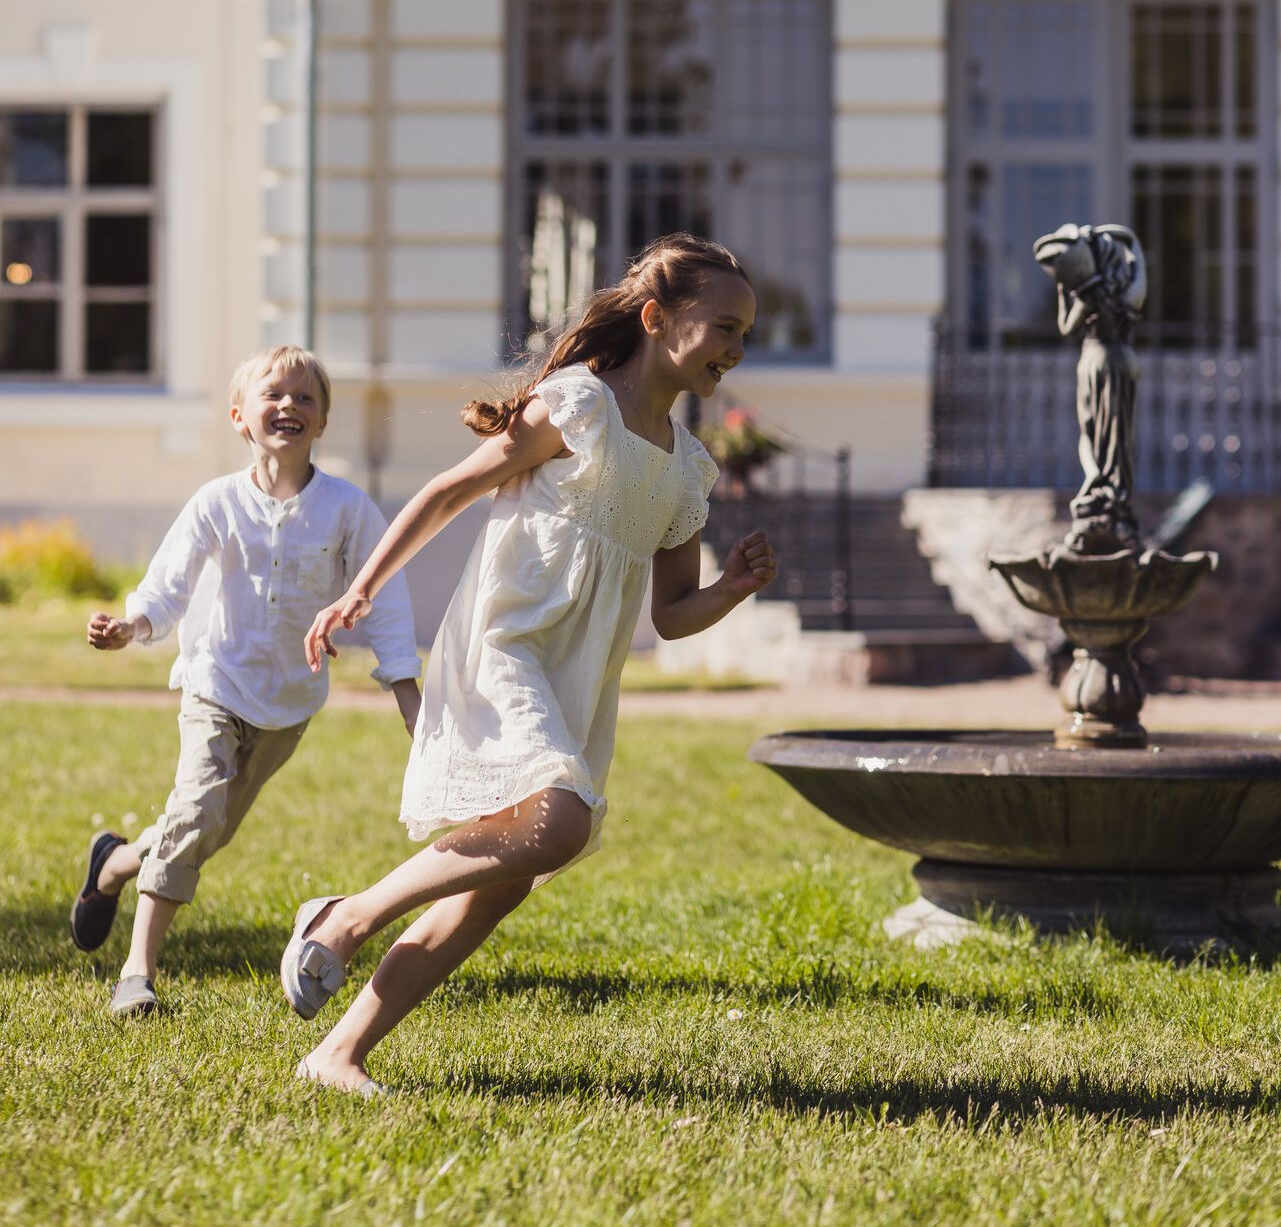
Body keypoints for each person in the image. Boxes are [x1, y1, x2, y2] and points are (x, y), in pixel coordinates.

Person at [280, 233, 777, 1096]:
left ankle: (339, 1052)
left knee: (501, 883)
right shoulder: (578, 405)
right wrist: (358, 590)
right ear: (656, 319)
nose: (736, 349)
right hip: (506, 643)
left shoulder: (687, 469)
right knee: (561, 824)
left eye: (746, 334)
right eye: (724, 327)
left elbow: (671, 612)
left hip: (578, 679)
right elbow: (446, 491)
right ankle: (345, 913)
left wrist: (729, 590)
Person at [71, 345, 422, 1017]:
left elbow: (386, 597)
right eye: (273, 394)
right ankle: (136, 973)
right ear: (239, 416)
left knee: (204, 828)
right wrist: (131, 625)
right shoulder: (217, 503)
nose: (288, 404)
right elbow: (168, 585)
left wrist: (404, 686)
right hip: (215, 682)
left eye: (305, 397)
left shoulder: (348, 509)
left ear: (322, 421)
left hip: (288, 705)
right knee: (197, 811)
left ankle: (114, 865)